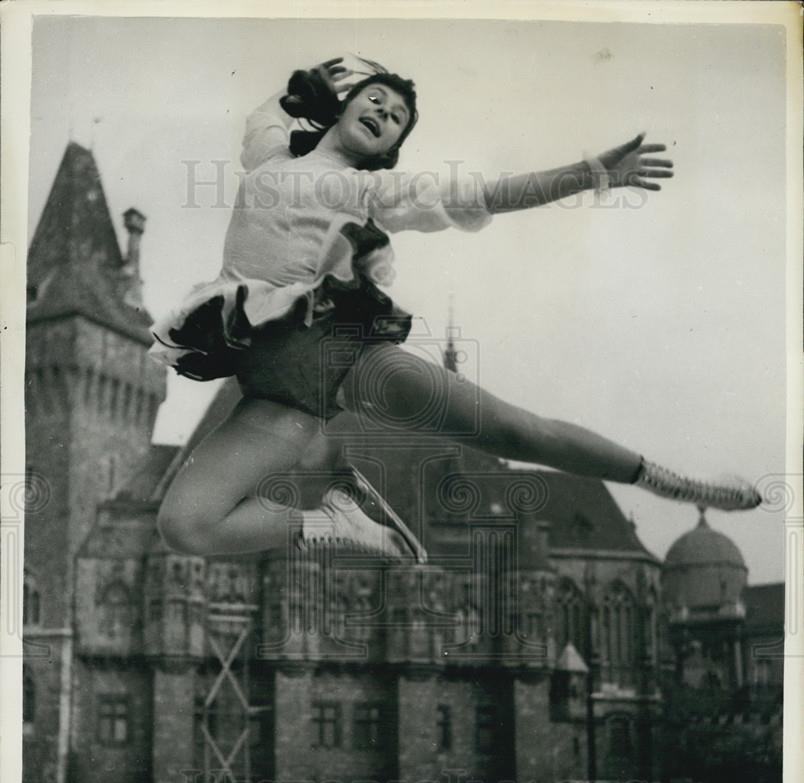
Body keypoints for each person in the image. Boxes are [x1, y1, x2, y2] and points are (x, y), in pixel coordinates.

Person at [151, 56, 760, 561]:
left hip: (335, 355)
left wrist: (588, 173)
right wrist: (310, 77)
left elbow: (485, 195)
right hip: (271, 390)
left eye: (397, 118)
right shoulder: (269, 158)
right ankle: (333, 521)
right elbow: (267, 114)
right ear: (343, 105)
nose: (383, 114)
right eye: (375, 100)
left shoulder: (372, 189)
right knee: (186, 526)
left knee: (514, 431)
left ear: (393, 146)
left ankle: (669, 480)